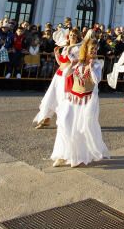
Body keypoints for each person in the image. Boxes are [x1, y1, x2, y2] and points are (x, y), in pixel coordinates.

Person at [51, 38, 109, 168]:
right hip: (72, 99)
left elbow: (96, 80)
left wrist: (91, 67)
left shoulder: (97, 64)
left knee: (82, 128)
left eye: (95, 49)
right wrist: (71, 65)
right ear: (86, 50)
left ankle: (78, 156)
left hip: (86, 101)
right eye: (91, 49)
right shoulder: (78, 62)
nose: (94, 51)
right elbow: (66, 74)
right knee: (65, 123)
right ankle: (62, 154)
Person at [33, 27, 82, 129]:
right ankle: (46, 118)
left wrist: (69, 53)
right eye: (71, 35)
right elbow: (61, 62)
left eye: (74, 35)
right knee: (51, 96)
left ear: (77, 38)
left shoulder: (78, 48)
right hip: (58, 75)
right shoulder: (65, 47)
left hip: (67, 75)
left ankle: (66, 121)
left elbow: (75, 62)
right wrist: (57, 54)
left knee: (64, 98)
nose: (72, 37)